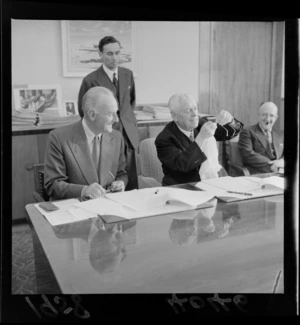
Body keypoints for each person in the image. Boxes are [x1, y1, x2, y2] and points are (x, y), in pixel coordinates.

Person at [44, 86, 128, 200]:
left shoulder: (117, 137)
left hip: (108, 207)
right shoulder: (58, 138)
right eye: (110, 114)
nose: (116, 119)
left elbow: (121, 173)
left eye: (116, 113)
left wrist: (120, 182)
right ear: (92, 114)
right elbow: (53, 185)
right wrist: (84, 190)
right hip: (72, 209)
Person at [78, 36, 139, 191]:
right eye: (110, 54)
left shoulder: (128, 74)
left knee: (130, 179)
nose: (115, 58)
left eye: (117, 53)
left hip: (129, 135)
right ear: (100, 54)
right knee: (111, 179)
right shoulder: (90, 80)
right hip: (107, 134)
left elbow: (130, 103)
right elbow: (83, 111)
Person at [155, 93, 243, 186]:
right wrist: (201, 138)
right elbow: (183, 165)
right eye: (188, 110)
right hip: (182, 187)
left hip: (209, 182)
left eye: (195, 108)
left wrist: (230, 121)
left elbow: (231, 133)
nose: (194, 114)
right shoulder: (164, 139)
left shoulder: (200, 122)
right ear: (175, 116)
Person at [238, 101, 284, 174]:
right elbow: (247, 154)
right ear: (258, 115)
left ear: (276, 118)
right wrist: (271, 166)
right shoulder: (247, 131)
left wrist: (282, 162)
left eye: (272, 115)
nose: (268, 119)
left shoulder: (281, 134)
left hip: (279, 173)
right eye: (264, 115)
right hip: (258, 173)